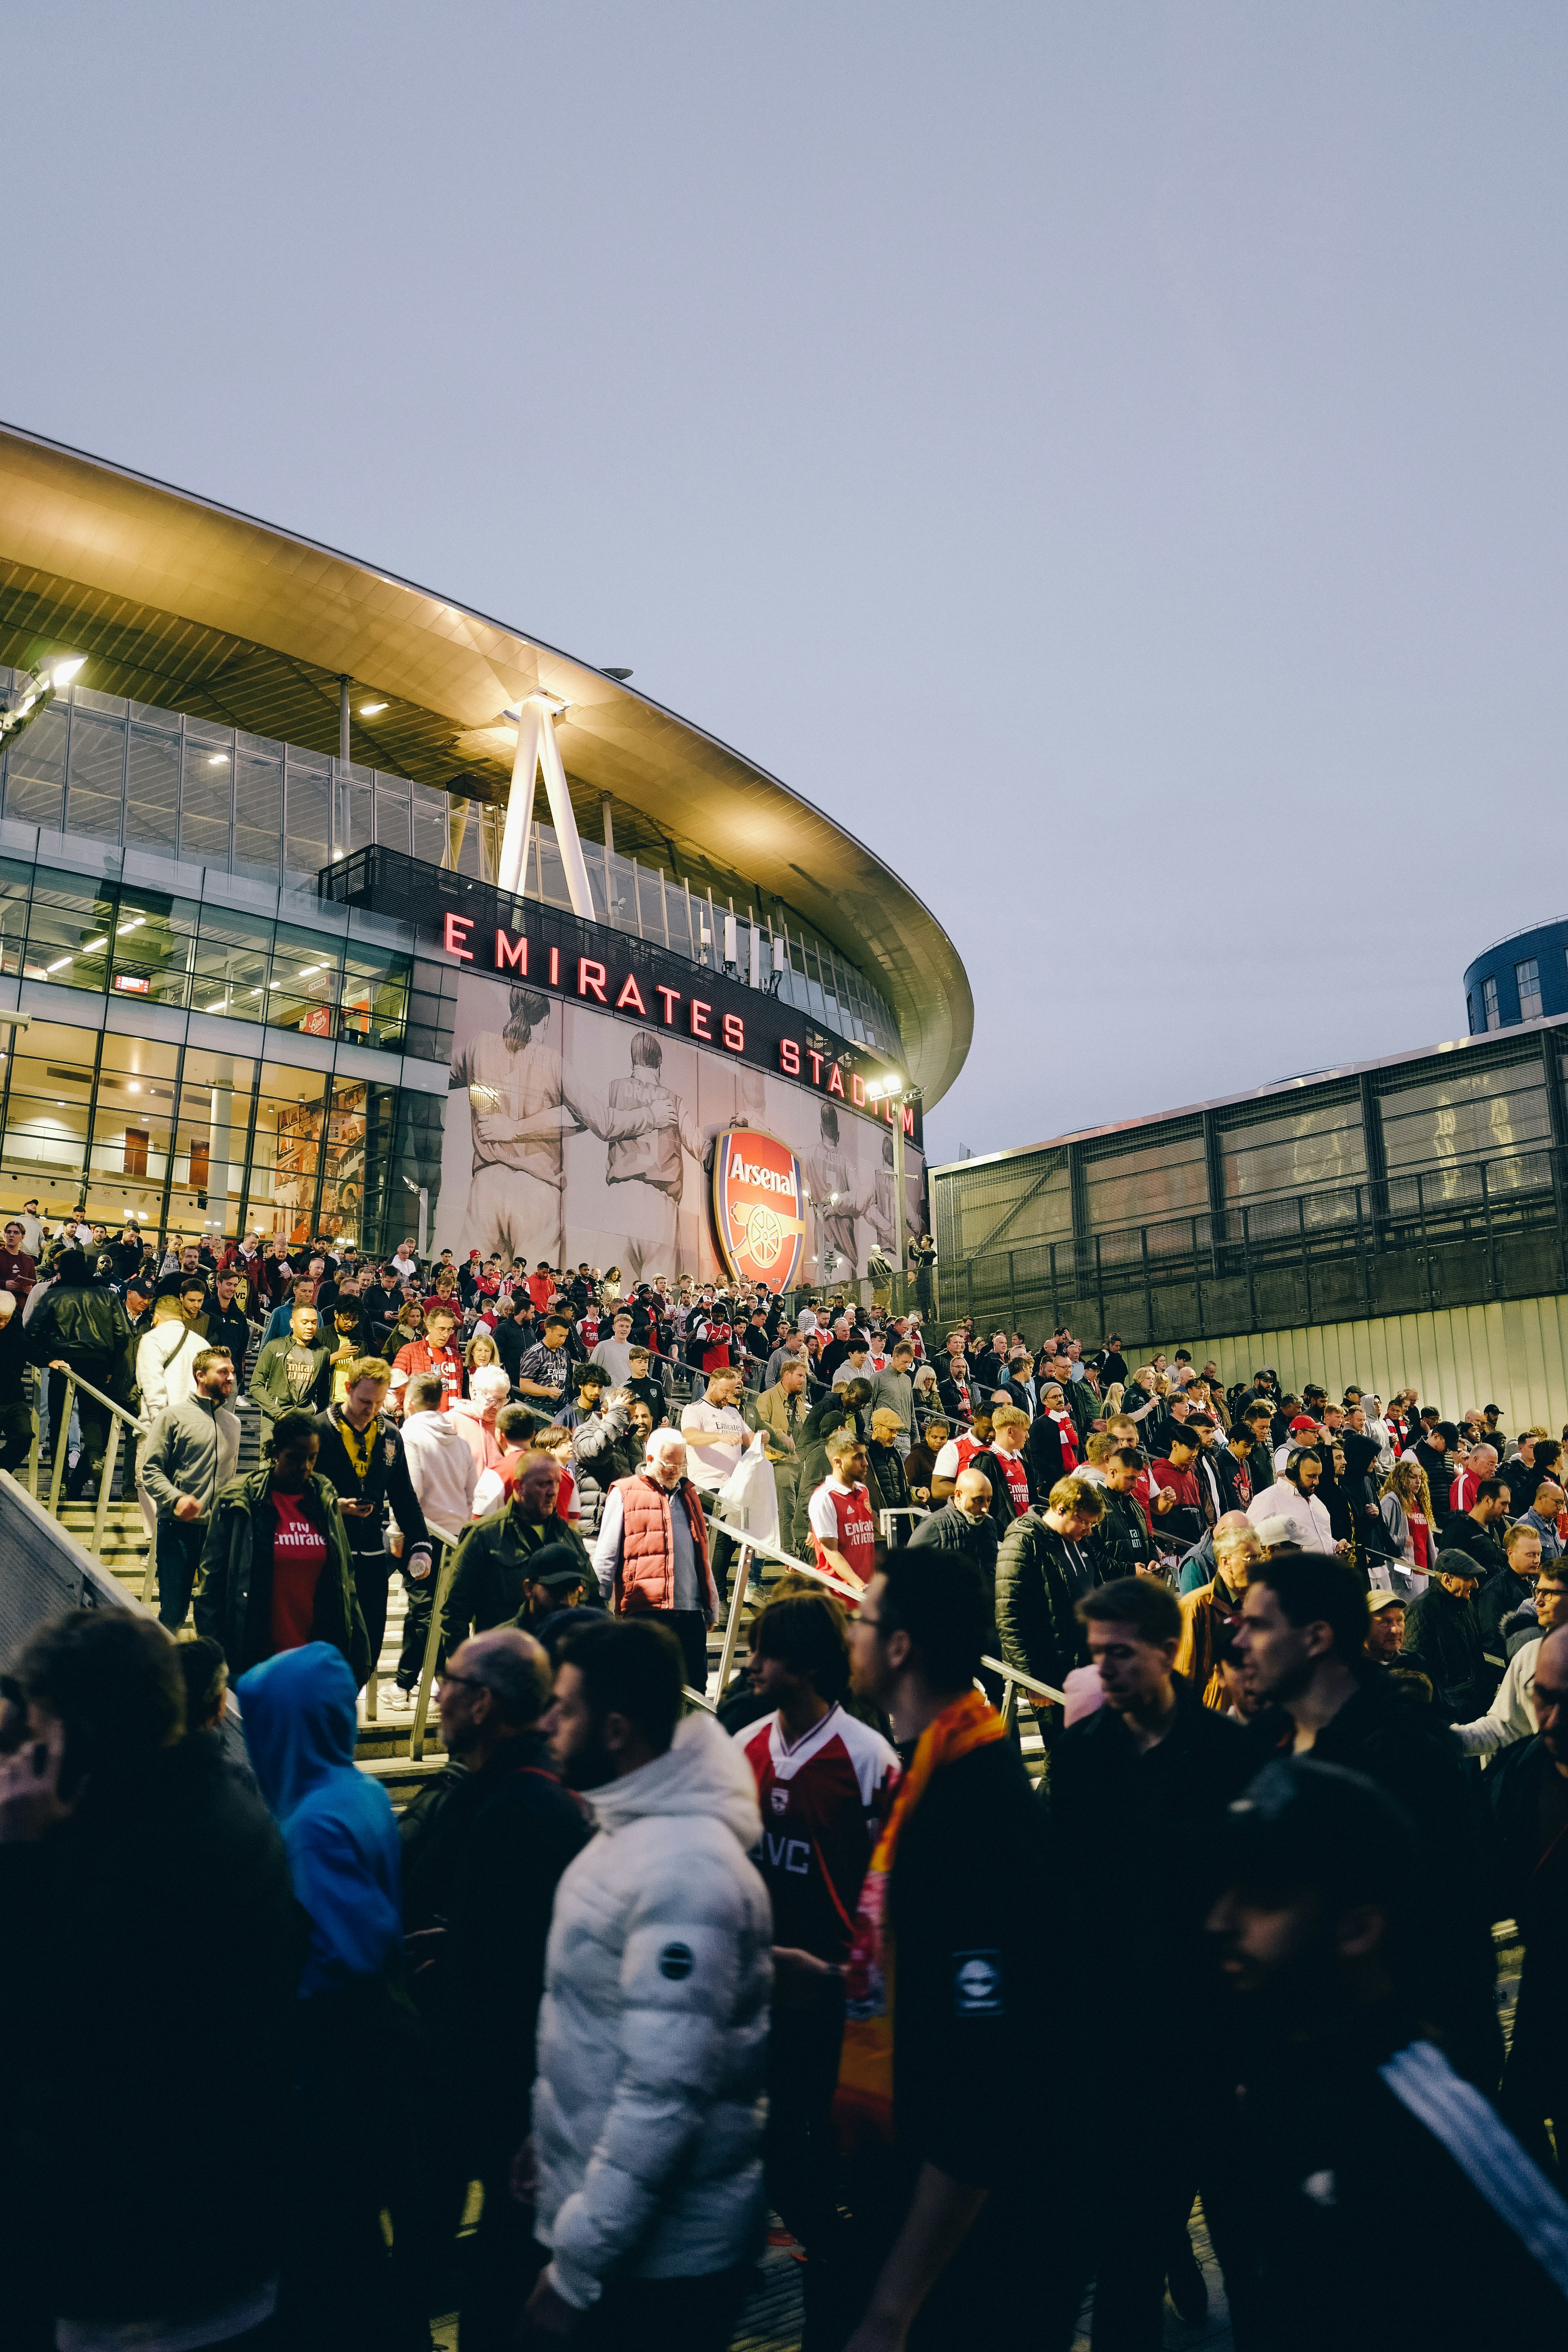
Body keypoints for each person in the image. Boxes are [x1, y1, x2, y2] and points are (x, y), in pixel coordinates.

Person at [784, 1547, 1090, 2350]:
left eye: (861, 1620)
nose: (847, 1634)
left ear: (899, 1648)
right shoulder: (938, 1773)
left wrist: (893, 2305)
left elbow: (985, 2088)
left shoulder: (970, 1812)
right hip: (950, 2212)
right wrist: (829, 1982)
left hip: (986, 2255)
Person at [0, 1610, 303, 2352]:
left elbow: (42, 2028)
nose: (24, 1755)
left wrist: (21, 1855)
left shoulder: (137, 1869)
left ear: (80, 1732)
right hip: (221, 2243)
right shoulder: (221, 1806)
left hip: (142, 2274)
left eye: (37, 1733)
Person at [1205, 1755, 1568, 2346]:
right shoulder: (1275, 2080)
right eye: (1224, 1889)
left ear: (1358, 1928)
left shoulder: (1443, 2113)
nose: (1221, 1921)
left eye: (1264, 1897)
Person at [523, 1618, 771, 2348]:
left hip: (657, 2271)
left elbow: (664, 2096)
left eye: (564, 1709)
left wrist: (576, 2271)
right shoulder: (633, 1831)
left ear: (617, 1729)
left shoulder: (682, 1870)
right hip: (623, 2242)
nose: (547, 1724)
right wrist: (548, 2139)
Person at [1051, 1575, 1252, 2338]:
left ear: (1167, 1652)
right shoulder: (1079, 1760)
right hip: (1122, 2054)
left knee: (1247, 2246)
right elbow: (1068, 1903)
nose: (1105, 1668)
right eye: (1097, 1654)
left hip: (1216, 2044)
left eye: (1121, 1653)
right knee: (1127, 2263)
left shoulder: (1224, 1755)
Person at [1233, 1549, 1501, 2090]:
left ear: (1317, 1637)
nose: (1239, 1644)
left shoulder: (1407, 1752)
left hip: (1404, 2066)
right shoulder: (1263, 1746)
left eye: (1257, 1627)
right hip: (1303, 2059)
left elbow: (1454, 1919)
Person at [400, 1629, 592, 2350]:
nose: (439, 1692)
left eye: (449, 1679)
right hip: (497, 2095)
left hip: (496, 2096)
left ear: (482, 1704)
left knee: (493, 2292)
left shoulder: (515, 1809)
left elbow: (521, 1972)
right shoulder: (512, 1797)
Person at [235, 1641, 410, 2351]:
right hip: (374, 2066)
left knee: (331, 2252)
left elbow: (339, 1954)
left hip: (329, 2077)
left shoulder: (308, 1827)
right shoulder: (361, 1791)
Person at [734, 1593, 899, 2312]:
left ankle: (848, 2276)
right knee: (777, 2158)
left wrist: (852, 1978)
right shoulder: (744, 1749)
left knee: (835, 2153)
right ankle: (835, 2255)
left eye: (762, 1652)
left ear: (801, 1665)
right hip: (763, 1992)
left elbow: (890, 1894)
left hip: (835, 1997)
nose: (748, 1664)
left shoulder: (869, 1760)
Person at [195, 1406, 370, 1684]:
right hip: (256, 1661)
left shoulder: (323, 1499)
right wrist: (214, 1658)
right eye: (296, 1458)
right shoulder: (240, 1500)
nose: (306, 1467)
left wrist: (359, 1652)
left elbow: (344, 1580)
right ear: (275, 1452)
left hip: (315, 1661)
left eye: (313, 1458)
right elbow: (212, 1585)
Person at [313, 1358, 436, 1704]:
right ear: (348, 1390)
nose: (372, 1410)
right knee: (327, 1643)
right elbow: (294, 1489)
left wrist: (421, 1543)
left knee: (369, 1647)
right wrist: (334, 1506)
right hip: (327, 1555)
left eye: (380, 1403)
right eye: (366, 1402)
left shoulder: (390, 1435)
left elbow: (405, 1497)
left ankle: (345, 1705)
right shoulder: (318, 1430)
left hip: (370, 1558)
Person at [592, 1428, 719, 1693]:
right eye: (667, 1463)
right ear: (649, 1458)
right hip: (645, 1610)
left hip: (689, 1612)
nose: (674, 1470)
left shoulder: (689, 1494)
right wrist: (598, 1605)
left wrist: (711, 1604)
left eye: (680, 1464)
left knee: (695, 1689)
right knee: (646, 1690)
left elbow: (701, 1554)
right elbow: (606, 1554)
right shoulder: (625, 1492)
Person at [443, 1450, 593, 1657]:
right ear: (518, 1487)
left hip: (560, 1665)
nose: (553, 1492)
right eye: (544, 1484)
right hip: (503, 1662)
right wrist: (466, 1668)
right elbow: (454, 1613)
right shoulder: (484, 1536)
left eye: (556, 1483)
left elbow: (594, 1599)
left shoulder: (569, 1538)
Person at [140, 1345, 241, 1632]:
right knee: (173, 1613)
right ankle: (162, 1673)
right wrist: (176, 1499)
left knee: (214, 1614)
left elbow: (231, 1480)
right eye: (223, 1372)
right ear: (201, 1376)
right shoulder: (172, 1417)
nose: (231, 1378)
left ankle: (207, 1674)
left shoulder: (233, 1423)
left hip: (217, 1533)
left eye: (232, 1372)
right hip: (177, 1530)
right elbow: (151, 1470)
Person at [24, 1247, 136, 1500]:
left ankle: (61, 1483)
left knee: (59, 1424)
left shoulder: (54, 1294)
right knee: (93, 1418)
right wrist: (110, 1367)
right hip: (97, 1366)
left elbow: (30, 1335)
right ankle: (95, 1458)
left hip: (63, 1366)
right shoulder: (106, 1295)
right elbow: (122, 1336)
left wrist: (47, 1358)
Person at [995, 1471, 1107, 1701]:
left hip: (1086, 1668)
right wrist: (1030, 1679)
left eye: (1092, 1524)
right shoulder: (1022, 1542)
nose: (1089, 1529)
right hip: (1050, 1675)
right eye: (1084, 1522)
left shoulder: (1080, 1540)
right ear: (1061, 1509)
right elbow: (1009, 1617)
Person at [1454, 1559, 1567, 1756]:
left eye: (1549, 1594)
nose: (1538, 1601)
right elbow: (1505, 1727)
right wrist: (1448, 1740)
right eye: (1537, 1591)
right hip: (1545, 1780)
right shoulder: (1530, 1653)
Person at [1174, 1516, 1261, 1709]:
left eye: (1259, 1557)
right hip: (1211, 1721)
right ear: (1226, 1562)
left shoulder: (1258, 1603)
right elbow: (1183, 1674)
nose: (1258, 1565)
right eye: (1250, 1558)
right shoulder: (1196, 1606)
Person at [1399, 1551, 1494, 1720]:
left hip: (1474, 1705)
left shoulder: (1467, 1606)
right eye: (1469, 1578)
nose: (1476, 1585)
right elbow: (1417, 1672)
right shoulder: (1422, 1609)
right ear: (1447, 1580)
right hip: (1447, 1712)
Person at [808, 1422, 879, 1597]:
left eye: (864, 1456)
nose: (865, 1463)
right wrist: (861, 1587)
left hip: (864, 1591)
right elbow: (831, 1551)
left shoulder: (864, 1491)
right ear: (838, 1462)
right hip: (838, 1595)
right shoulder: (824, 1497)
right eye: (857, 1458)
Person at [248, 1300, 332, 1439]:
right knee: (270, 1461)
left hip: (307, 1421)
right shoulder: (274, 1347)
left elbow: (324, 1391)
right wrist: (278, 1414)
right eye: (305, 1322)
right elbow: (256, 1386)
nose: (310, 1327)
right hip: (275, 1419)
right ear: (292, 1323)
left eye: (314, 1322)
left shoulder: (323, 1352)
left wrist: (316, 1415)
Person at [1247, 1446, 1343, 1557]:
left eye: (1318, 1476)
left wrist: (1336, 1547)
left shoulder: (1315, 1500)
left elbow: (1319, 1537)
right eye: (1311, 1476)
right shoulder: (1267, 1500)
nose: (1316, 1482)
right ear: (1292, 1473)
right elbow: (1251, 1542)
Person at [391, 1300, 465, 1415]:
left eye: (449, 1330)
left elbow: (459, 1392)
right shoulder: (409, 1351)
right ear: (430, 1328)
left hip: (449, 1419)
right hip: (419, 1418)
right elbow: (396, 1388)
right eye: (441, 1329)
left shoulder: (456, 1357)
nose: (445, 1335)